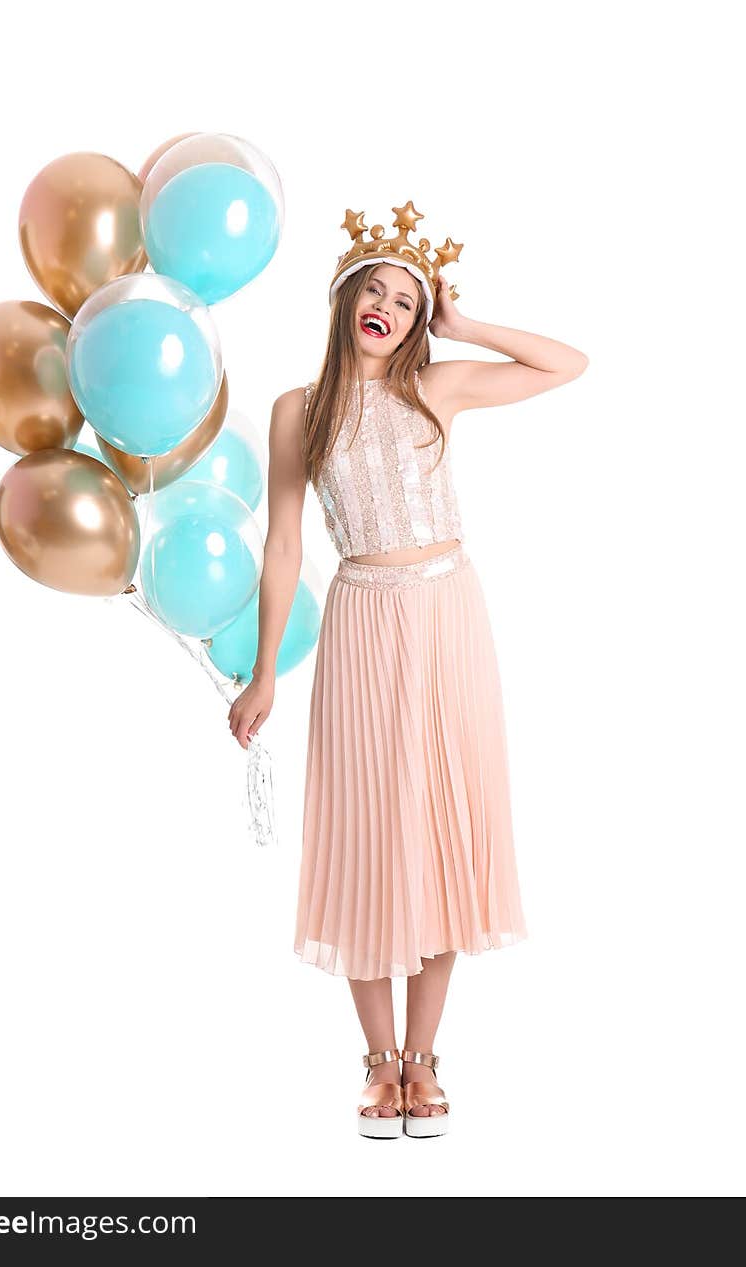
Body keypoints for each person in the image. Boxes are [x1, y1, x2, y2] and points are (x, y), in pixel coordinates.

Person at [228, 202, 588, 1138]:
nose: (387, 305)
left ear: (419, 319)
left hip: (447, 613)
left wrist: (465, 325)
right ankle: (376, 1061)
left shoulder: (438, 386)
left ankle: (425, 1061)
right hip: (360, 616)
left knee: (442, 823)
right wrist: (265, 671)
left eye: (406, 298)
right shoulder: (296, 412)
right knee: (367, 826)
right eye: (375, 290)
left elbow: (567, 364)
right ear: (346, 300)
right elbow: (281, 547)